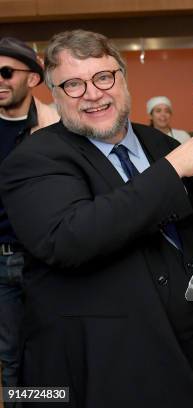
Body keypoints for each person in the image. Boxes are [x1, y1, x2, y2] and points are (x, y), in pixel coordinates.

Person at [0, 29, 193, 408]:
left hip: (190, 357)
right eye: (73, 84)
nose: (93, 93)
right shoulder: (34, 158)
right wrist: (171, 170)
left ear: (123, 79)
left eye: (103, 77)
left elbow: (186, 217)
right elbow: (69, 236)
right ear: (55, 94)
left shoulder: (161, 144)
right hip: (104, 371)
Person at [0, 36, 59, 401]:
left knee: (50, 352)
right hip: (1, 259)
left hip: (45, 259)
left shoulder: (57, 127)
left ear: (32, 78)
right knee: (8, 356)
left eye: (6, 72)